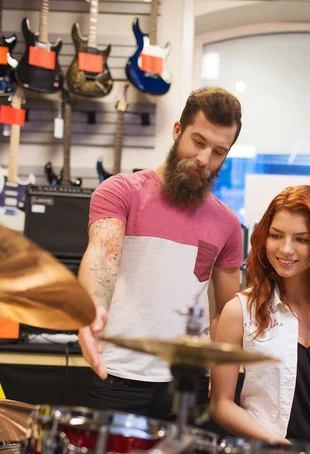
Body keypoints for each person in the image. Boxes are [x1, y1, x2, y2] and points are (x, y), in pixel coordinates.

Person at [78, 87, 243, 422]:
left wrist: (222, 375)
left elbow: (226, 313)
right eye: (198, 142)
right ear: (177, 130)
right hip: (117, 376)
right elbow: (101, 256)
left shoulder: (227, 224)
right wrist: (93, 309)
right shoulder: (121, 192)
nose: (204, 159)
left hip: (187, 383)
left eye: (218, 152)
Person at [211, 185, 310, 448]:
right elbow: (221, 404)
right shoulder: (240, 310)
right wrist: (275, 443)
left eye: (301, 239)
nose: (285, 249)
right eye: (276, 235)